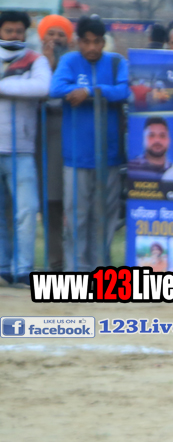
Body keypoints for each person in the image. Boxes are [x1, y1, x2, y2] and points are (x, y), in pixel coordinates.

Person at [48, 15, 130, 272]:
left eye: (97, 42)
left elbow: (125, 90)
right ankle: (76, 271)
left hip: (110, 156)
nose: (92, 47)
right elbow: (55, 88)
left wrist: (91, 92)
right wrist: (83, 91)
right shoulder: (69, 61)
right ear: (78, 42)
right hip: (76, 156)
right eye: (86, 42)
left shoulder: (117, 62)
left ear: (104, 42)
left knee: (104, 217)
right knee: (76, 217)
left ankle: (101, 270)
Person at [0, 10, 51, 286]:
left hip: (22, 149)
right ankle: (3, 267)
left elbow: (42, 88)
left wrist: (4, 86)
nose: (14, 36)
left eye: (19, 31)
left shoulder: (36, 59)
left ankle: (24, 269)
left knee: (27, 211)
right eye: (9, 31)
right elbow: (29, 87)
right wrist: (19, 85)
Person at [36, 14, 73, 272]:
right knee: (50, 203)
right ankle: (55, 262)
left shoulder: (74, 64)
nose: (56, 39)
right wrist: (46, 67)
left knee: (71, 205)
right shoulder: (34, 63)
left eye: (61, 34)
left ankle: (75, 263)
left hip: (71, 141)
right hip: (44, 142)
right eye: (51, 33)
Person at [127, 116, 171, 181]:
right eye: (151, 135)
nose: (157, 140)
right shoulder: (131, 168)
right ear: (144, 138)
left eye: (162, 136)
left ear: (169, 140)